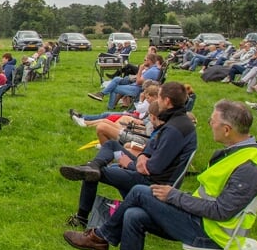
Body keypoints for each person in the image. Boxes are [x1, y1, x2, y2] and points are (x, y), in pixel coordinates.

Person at [62, 100, 257, 250]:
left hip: (212, 234)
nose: (209, 123)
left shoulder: (249, 166)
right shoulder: (236, 152)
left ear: (227, 130)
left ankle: (100, 237)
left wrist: (174, 196)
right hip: (200, 220)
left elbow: (221, 211)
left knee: (139, 192)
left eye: (213, 121)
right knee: (134, 215)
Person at [59, 81, 198, 229]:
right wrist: (143, 156)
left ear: (167, 101)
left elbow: (154, 168)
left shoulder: (175, 130)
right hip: (144, 171)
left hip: (149, 183)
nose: (157, 101)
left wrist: (129, 164)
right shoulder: (176, 121)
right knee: (112, 146)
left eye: (159, 97)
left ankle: (81, 217)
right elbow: (151, 147)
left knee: (91, 174)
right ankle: (94, 165)